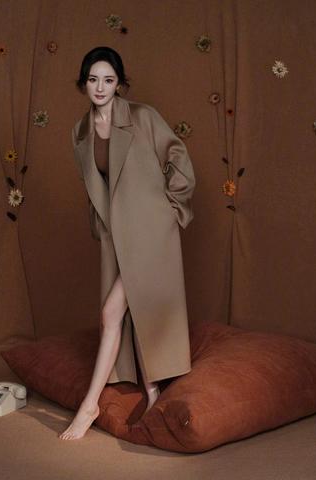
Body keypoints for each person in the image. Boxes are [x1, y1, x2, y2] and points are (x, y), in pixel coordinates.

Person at [60, 46, 195, 440]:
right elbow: (93, 188)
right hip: (117, 235)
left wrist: (171, 210)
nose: (100, 87)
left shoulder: (142, 116)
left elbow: (178, 156)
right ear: (83, 83)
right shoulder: (79, 132)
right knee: (131, 309)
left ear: (119, 83)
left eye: (109, 80)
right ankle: (153, 394)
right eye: (93, 79)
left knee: (110, 313)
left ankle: (89, 406)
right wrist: (101, 230)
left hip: (150, 231)